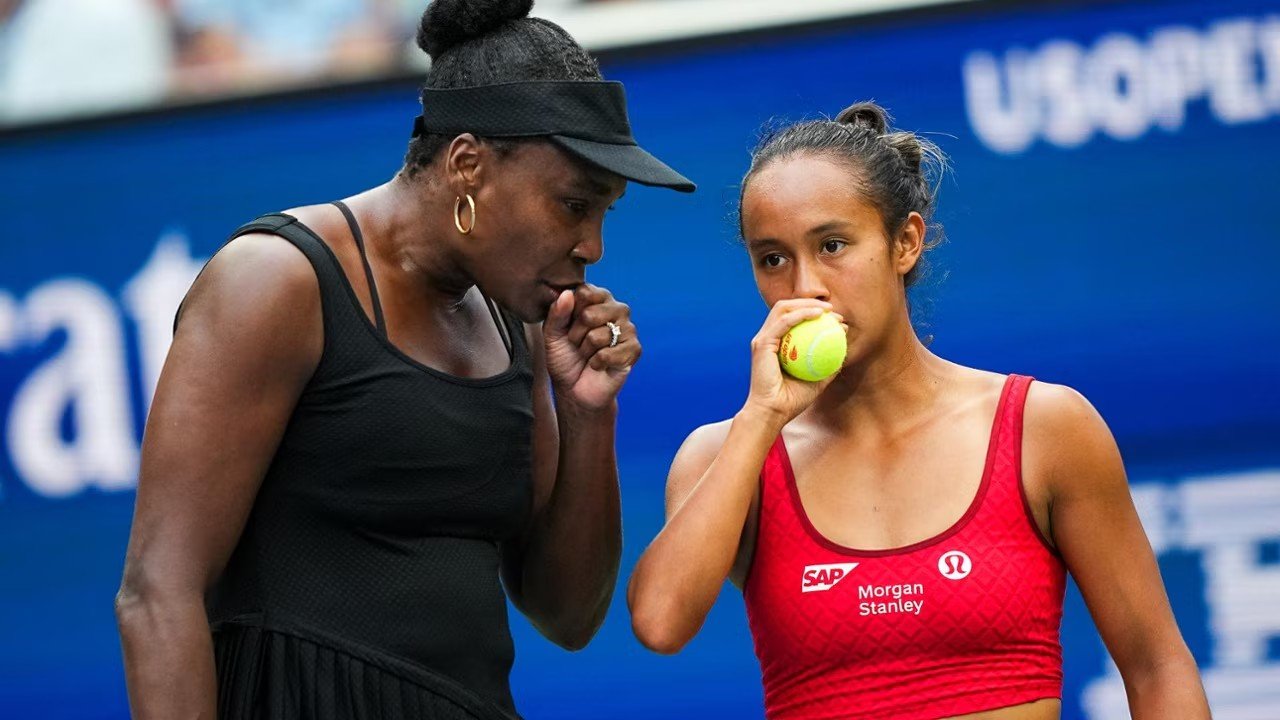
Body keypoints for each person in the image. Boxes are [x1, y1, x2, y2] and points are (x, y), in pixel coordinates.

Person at [114, 0, 694, 718]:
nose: (592, 245)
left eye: (606, 212)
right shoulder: (276, 281)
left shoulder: (519, 324)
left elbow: (566, 616)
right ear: (468, 165)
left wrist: (585, 415)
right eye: (574, 204)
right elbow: (156, 590)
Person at [626, 102, 1209, 719]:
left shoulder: (1044, 427)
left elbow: (1157, 667)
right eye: (772, 258)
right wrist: (762, 418)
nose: (805, 287)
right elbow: (660, 624)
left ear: (905, 242)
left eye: (832, 245)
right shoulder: (725, 453)